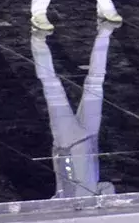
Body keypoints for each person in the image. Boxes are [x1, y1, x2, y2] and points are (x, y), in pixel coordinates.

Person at [31, 23, 118, 198]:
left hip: (67, 141)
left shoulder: (64, 203)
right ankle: (104, 33)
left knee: (52, 86)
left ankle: (37, 40)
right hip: (89, 138)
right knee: (95, 82)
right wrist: (108, 200)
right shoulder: (92, 205)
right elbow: (107, 186)